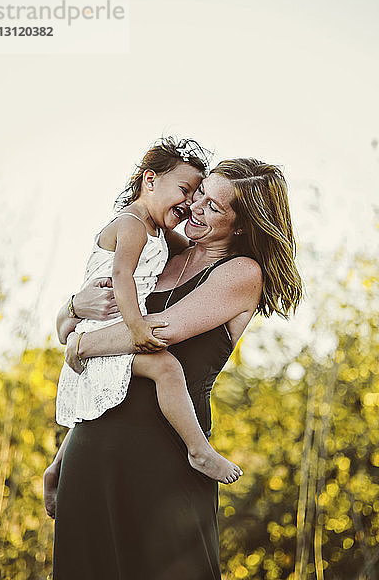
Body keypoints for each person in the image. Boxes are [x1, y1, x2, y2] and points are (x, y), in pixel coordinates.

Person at [45, 157, 303, 580]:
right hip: (92, 447)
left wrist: (79, 344)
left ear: (242, 226)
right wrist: (71, 311)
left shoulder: (240, 273)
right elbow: (107, 361)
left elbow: (157, 333)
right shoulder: (161, 253)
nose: (195, 207)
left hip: (166, 456)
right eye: (199, 193)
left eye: (214, 207)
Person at [55, 136, 241, 484]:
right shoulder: (133, 224)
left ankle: (56, 468)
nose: (191, 203)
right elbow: (121, 275)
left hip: (106, 332)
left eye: (200, 197)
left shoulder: (159, 232)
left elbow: (193, 255)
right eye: (187, 190)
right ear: (150, 180)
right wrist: (137, 328)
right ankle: (199, 450)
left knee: (107, 393)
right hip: (107, 328)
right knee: (167, 367)